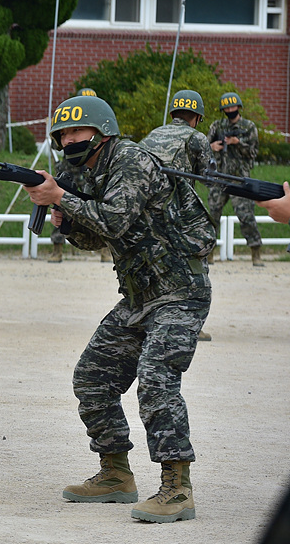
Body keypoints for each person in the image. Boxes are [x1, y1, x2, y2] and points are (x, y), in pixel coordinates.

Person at [23, 94, 211, 524]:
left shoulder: (130, 159)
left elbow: (114, 220)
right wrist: (66, 219)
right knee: (92, 378)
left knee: (157, 380)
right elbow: (95, 236)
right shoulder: (82, 171)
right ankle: (116, 475)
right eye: (63, 133)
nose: (69, 139)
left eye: (77, 131)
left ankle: (177, 488)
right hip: (139, 296)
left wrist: (63, 200)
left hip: (181, 291)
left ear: (101, 132)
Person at [139, 89, 215, 342]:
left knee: (155, 265)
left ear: (173, 114)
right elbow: (210, 176)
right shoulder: (196, 137)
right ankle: (191, 324)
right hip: (177, 212)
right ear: (196, 117)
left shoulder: (153, 134)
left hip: (146, 212)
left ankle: (148, 317)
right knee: (195, 265)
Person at [47, 87, 110, 263]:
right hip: (70, 169)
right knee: (60, 206)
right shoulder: (70, 117)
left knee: (99, 203)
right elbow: (57, 146)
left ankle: (105, 250)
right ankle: (57, 248)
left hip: (90, 167)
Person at [207, 91, 264, 266]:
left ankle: (256, 253)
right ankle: (209, 253)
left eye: (233, 107)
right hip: (219, 177)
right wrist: (212, 146)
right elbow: (202, 147)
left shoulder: (248, 127)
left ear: (238, 107)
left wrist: (238, 143)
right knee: (212, 216)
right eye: (227, 107)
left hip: (240, 178)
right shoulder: (217, 126)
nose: (230, 110)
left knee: (246, 216)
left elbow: (253, 153)